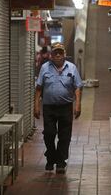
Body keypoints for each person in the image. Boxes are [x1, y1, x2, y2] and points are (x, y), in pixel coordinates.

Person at [34, 42, 83, 174]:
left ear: (64, 54)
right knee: (49, 134)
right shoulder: (45, 68)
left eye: (60, 52)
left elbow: (77, 87)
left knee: (64, 136)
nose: (57, 55)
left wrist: (78, 104)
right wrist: (36, 106)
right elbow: (39, 88)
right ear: (51, 55)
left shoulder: (72, 68)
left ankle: (60, 162)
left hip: (66, 107)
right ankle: (51, 156)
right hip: (49, 107)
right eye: (55, 52)